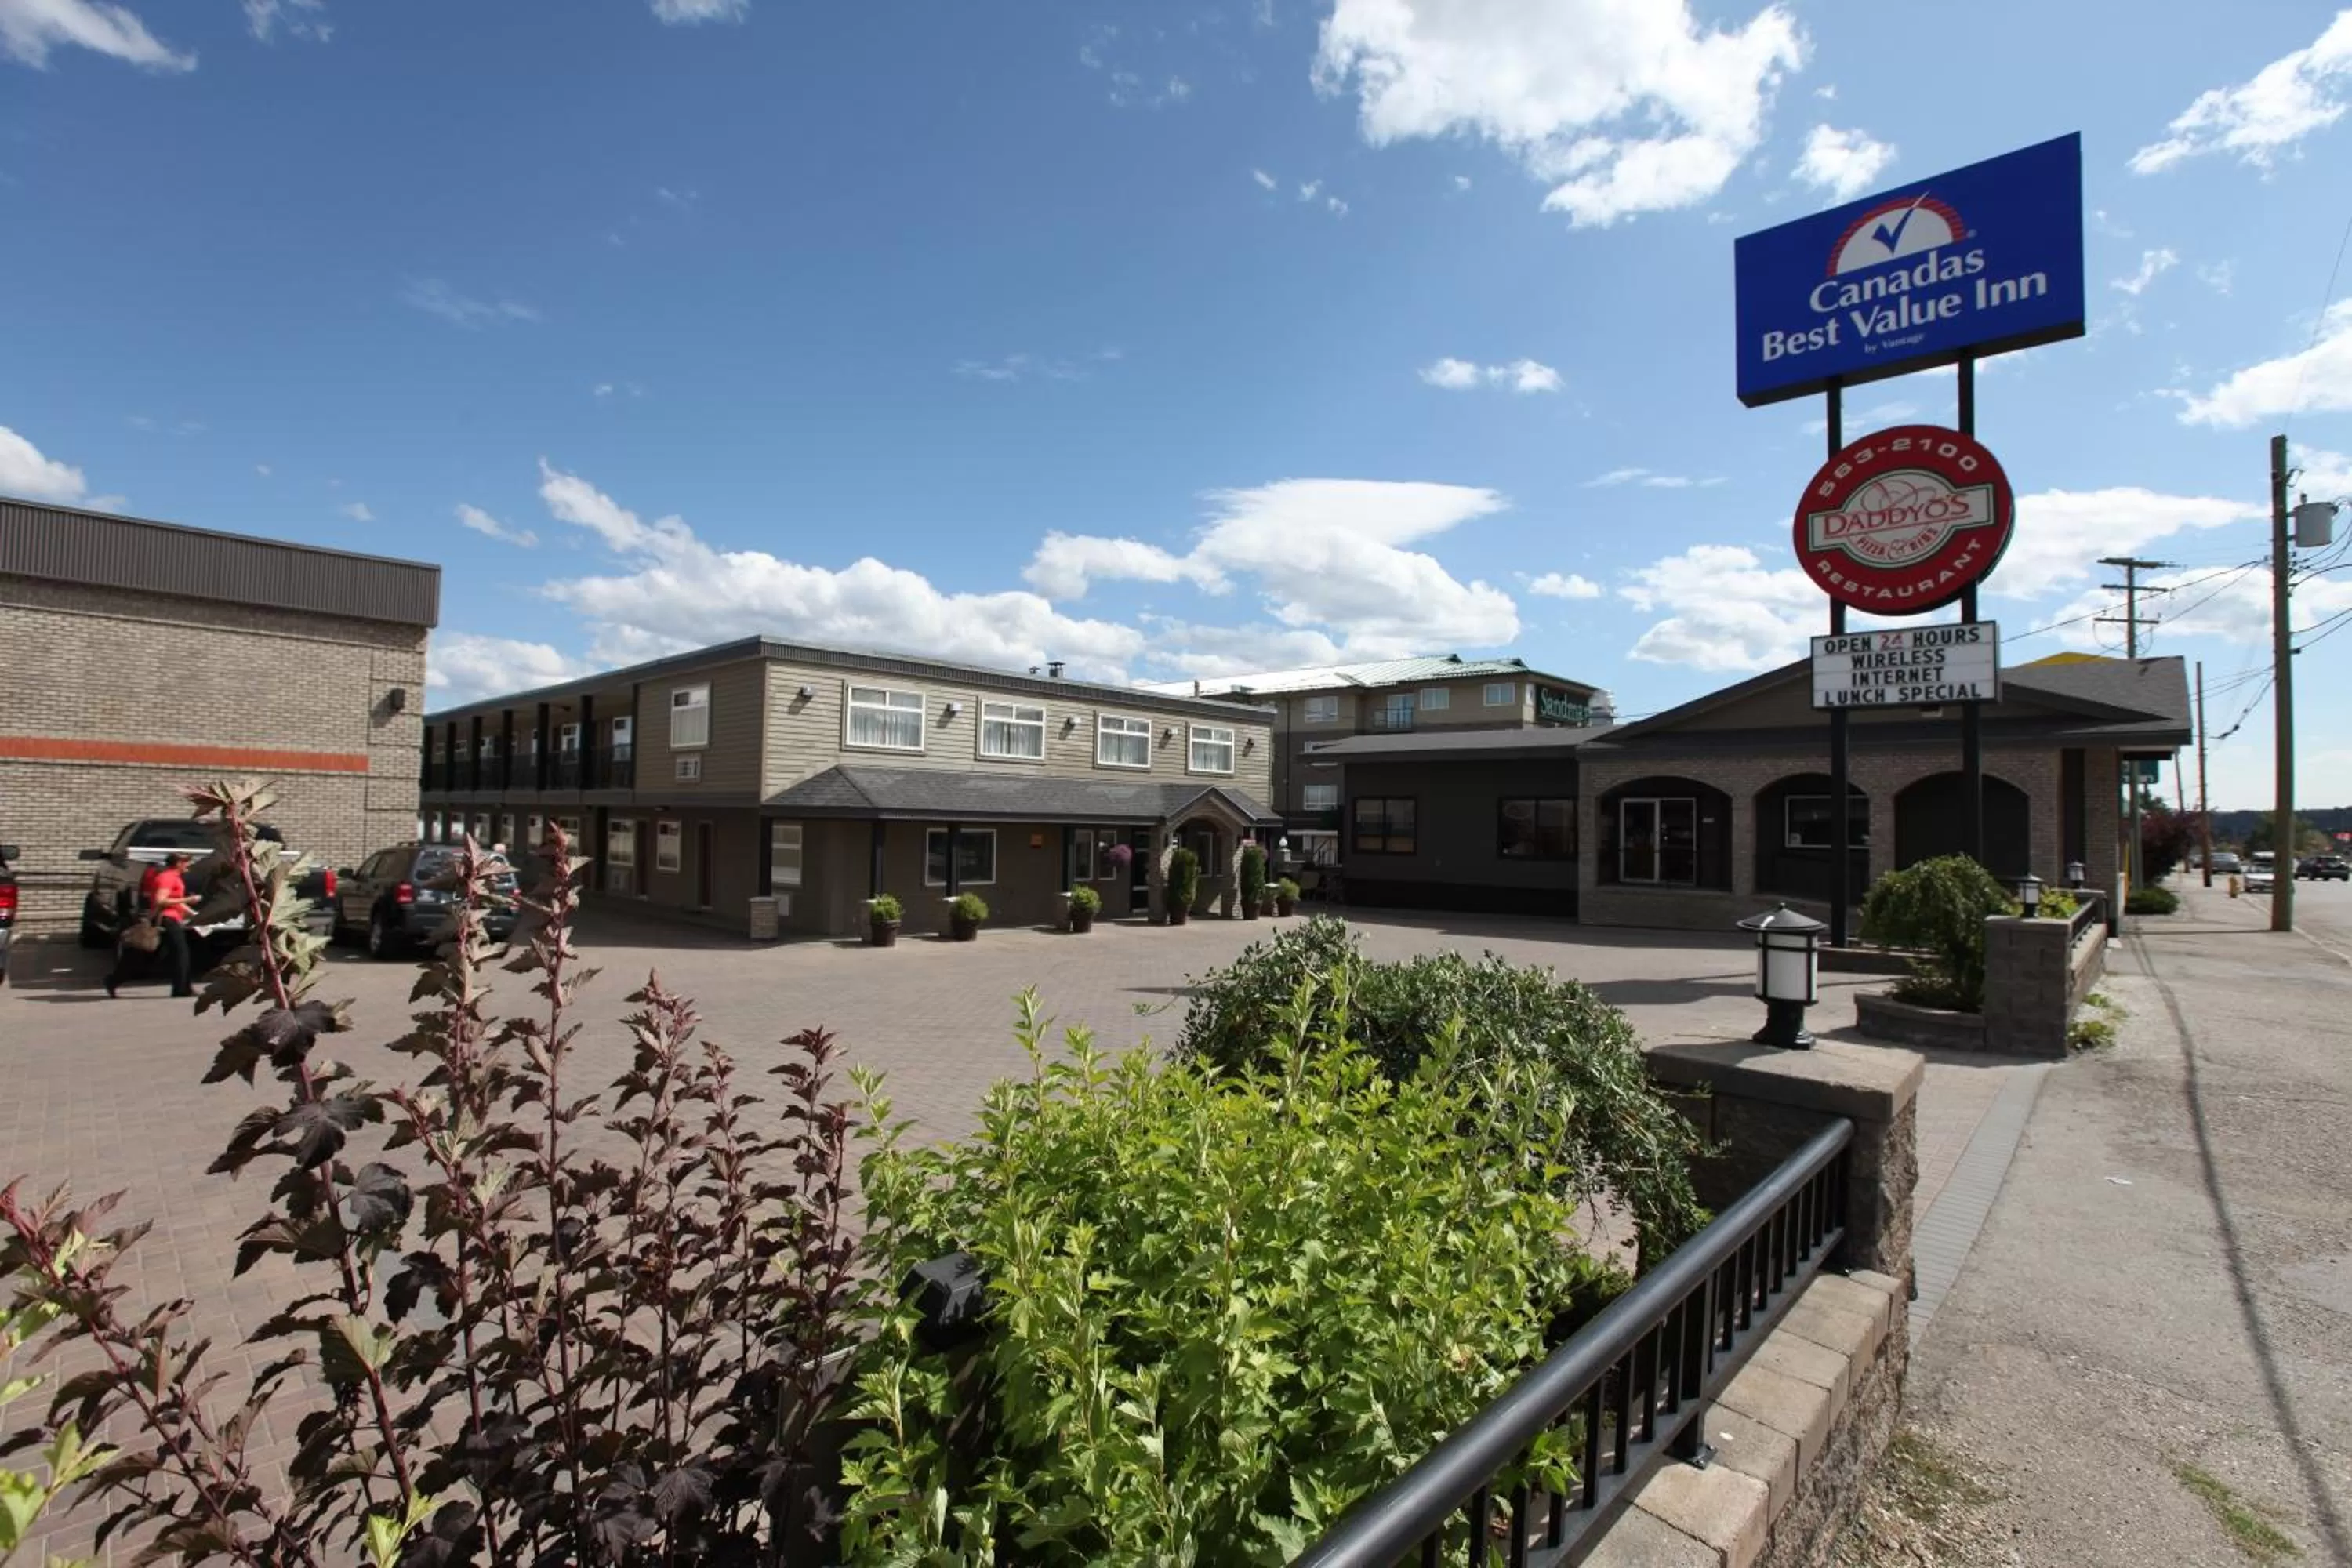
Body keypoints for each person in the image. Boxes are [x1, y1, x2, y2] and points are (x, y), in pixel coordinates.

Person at [105, 851, 196, 1000]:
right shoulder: (167, 878)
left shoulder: (174, 878)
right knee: (181, 954)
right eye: (188, 862)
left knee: (148, 956)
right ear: (179, 863)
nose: (190, 866)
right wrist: (188, 899)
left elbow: (177, 901)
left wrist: (195, 915)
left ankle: (114, 980)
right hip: (166, 920)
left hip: (171, 918)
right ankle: (181, 989)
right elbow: (161, 901)